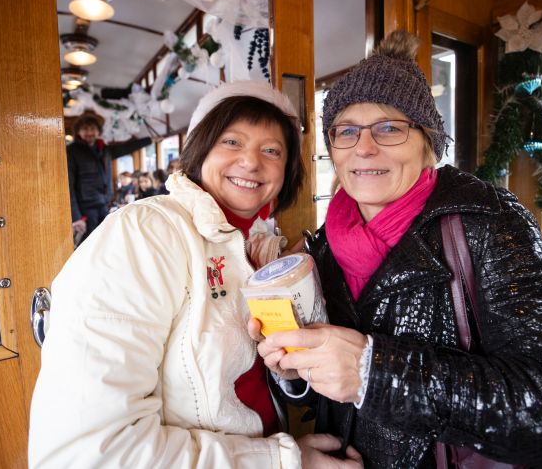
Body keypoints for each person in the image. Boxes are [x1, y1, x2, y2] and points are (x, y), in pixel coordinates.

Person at [250, 31, 542, 468]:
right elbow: (332, 383)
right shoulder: (324, 247)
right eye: (347, 131)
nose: (364, 147)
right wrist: (292, 373)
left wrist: (377, 374)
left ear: (428, 144)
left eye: (389, 128)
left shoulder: (486, 221)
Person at [29, 81, 362, 468]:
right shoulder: (143, 235)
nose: (252, 162)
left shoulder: (260, 245)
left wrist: (289, 376)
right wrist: (284, 462)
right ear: (199, 150)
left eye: (271, 150)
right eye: (232, 142)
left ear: (287, 171)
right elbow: (86, 455)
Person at [66, 111, 153, 241]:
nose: (89, 132)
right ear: (78, 132)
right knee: (90, 244)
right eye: (85, 129)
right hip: (85, 208)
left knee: (106, 240)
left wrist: (150, 140)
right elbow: (69, 185)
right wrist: (76, 217)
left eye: (92, 129)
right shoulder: (72, 151)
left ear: (98, 131)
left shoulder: (103, 150)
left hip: (104, 203)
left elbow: (126, 148)